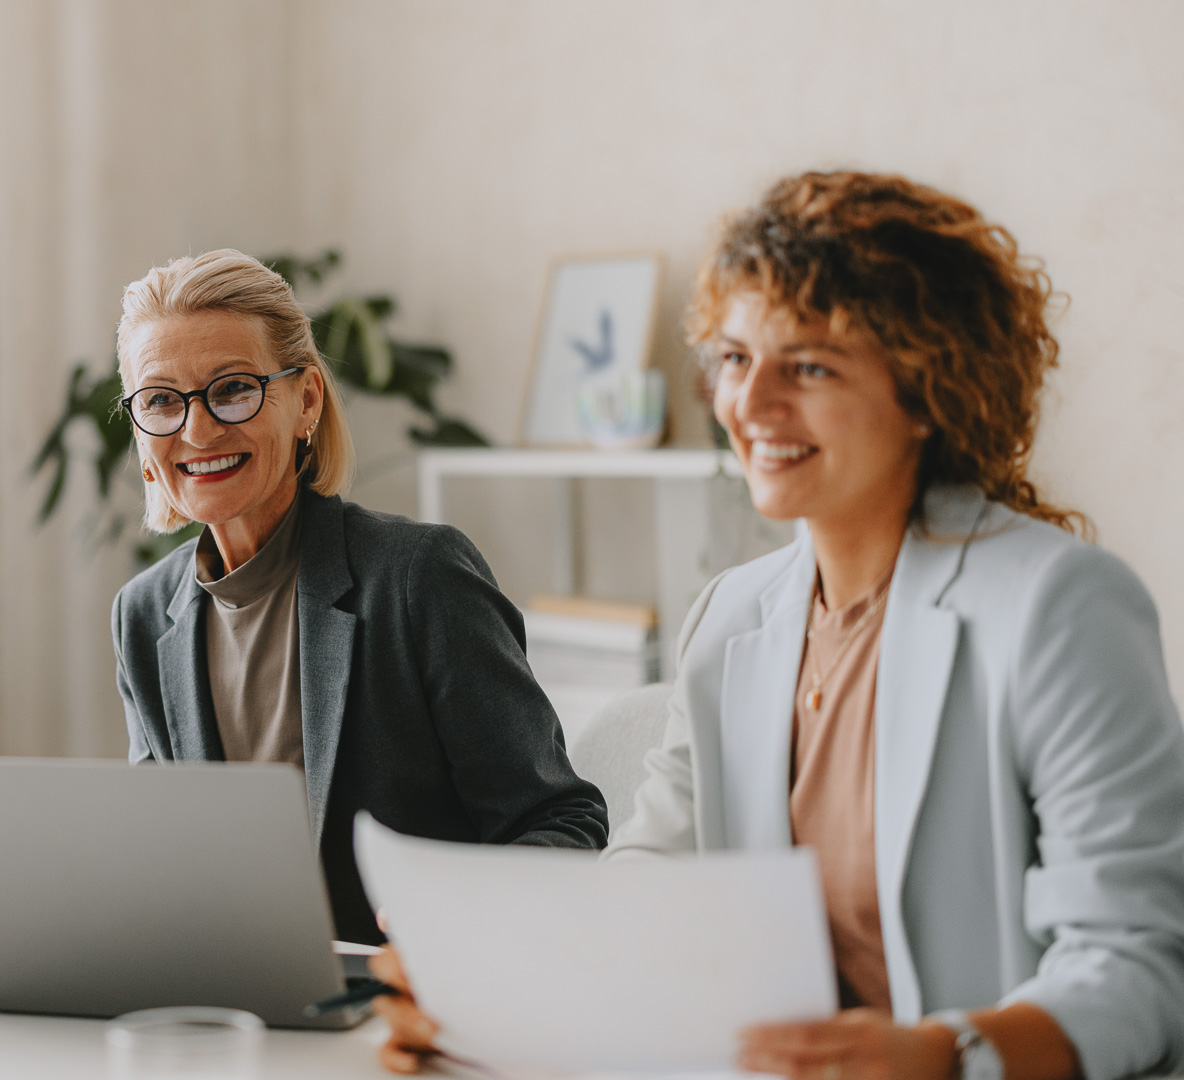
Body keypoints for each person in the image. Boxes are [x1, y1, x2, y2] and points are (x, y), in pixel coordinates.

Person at [372, 172, 1184, 1079]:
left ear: (927, 392)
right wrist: (485, 993)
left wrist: (944, 1057)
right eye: (734, 358)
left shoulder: (1059, 606)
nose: (749, 406)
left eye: (808, 366)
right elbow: (650, 889)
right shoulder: (732, 616)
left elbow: (1139, 964)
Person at [109, 249, 607, 944]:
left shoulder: (418, 577)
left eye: (232, 390)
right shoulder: (141, 616)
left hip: (407, 1003)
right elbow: (172, 860)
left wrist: (449, 924)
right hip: (240, 1007)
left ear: (305, 400)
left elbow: (563, 825)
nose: (196, 432)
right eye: (161, 400)